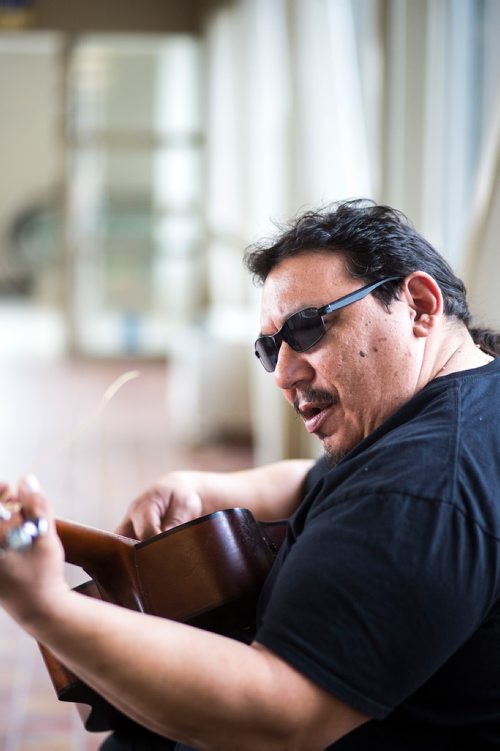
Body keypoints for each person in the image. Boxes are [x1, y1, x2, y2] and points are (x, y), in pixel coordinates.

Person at [0, 199, 499, 750]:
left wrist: (45, 604)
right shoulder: (463, 398)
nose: (283, 374)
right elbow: (321, 480)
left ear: (419, 306)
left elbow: (281, 718)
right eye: (270, 348)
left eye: (308, 328)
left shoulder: (419, 489)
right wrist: (211, 488)